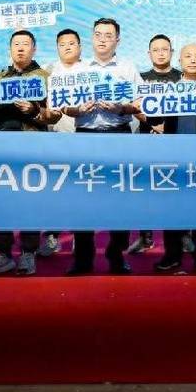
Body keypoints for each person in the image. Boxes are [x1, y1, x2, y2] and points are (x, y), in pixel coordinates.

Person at [60, 18, 143, 275]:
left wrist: (122, 107)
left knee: (121, 198)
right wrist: (75, 110)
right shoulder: (79, 69)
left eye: (108, 35)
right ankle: (83, 259)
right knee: (83, 199)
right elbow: (64, 106)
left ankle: (116, 254)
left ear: (118, 39)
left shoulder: (128, 68)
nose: (103, 39)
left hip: (119, 135)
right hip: (86, 136)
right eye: (98, 34)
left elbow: (141, 103)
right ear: (92, 38)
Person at [0, 29, 54, 276]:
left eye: (25, 44)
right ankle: (3, 253)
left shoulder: (45, 78)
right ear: (10, 49)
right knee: (0, 200)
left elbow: (54, 115)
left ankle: (28, 253)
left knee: (30, 200)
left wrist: (33, 110)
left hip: (32, 147)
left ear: (34, 49)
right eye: (16, 44)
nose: (20, 48)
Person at [154, 43, 196, 273]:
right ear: (180, 60)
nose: (193, 60)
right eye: (188, 56)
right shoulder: (170, 87)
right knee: (172, 208)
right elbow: (155, 116)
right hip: (173, 156)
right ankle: (172, 255)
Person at [129, 34, 183, 255]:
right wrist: (154, 125)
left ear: (172, 52)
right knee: (146, 190)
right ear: (148, 53)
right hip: (146, 140)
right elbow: (134, 106)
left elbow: (187, 107)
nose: (160, 53)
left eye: (165, 49)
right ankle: (145, 237)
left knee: (177, 190)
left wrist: (167, 128)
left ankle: (184, 236)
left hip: (175, 143)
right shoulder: (141, 78)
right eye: (156, 49)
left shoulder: (182, 78)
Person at [39, 27, 85, 259]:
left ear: (80, 46)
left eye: (71, 43)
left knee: (81, 189)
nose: (67, 47)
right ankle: (52, 236)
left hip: (83, 137)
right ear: (57, 47)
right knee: (55, 190)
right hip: (55, 138)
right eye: (62, 44)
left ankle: (80, 237)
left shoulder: (89, 70)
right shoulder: (48, 70)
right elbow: (42, 105)